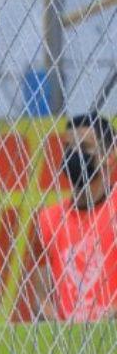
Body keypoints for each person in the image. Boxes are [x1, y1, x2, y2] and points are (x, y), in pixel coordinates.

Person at [30, 111, 117, 321]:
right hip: (69, 347)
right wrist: (65, 333)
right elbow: (39, 295)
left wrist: (103, 328)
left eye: (84, 148)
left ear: (110, 156)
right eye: (69, 148)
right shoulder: (47, 220)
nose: (74, 155)